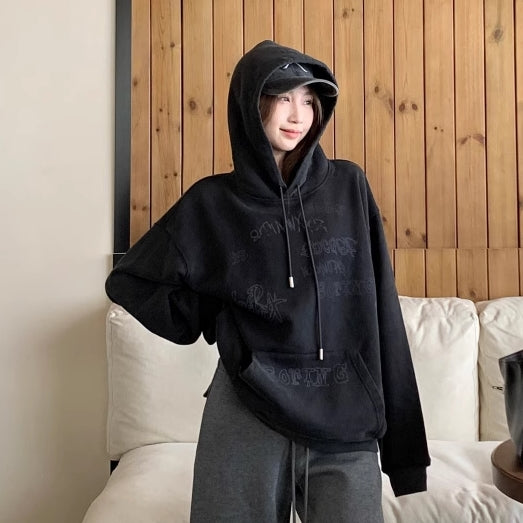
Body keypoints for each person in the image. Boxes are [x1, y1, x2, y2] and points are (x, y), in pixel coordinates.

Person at [106, 40, 430, 523]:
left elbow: (383, 312)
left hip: (343, 413)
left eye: (308, 99)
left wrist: (406, 458)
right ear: (250, 105)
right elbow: (131, 281)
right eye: (282, 97)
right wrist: (211, 314)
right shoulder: (212, 203)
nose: (298, 114)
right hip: (246, 409)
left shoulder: (348, 187)